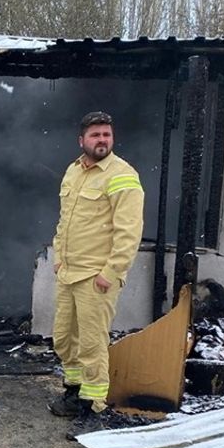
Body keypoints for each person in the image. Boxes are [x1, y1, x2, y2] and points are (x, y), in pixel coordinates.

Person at [48, 111, 145, 431]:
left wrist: (111, 271)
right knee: (64, 338)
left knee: (91, 344)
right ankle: (74, 393)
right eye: (95, 135)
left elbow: (128, 232)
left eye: (106, 134)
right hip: (69, 273)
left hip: (96, 277)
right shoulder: (73, 171)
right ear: (82, 141)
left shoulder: (122, 175)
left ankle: (94, 409)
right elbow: (65, 222)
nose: (102, 140)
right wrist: (59, 257)